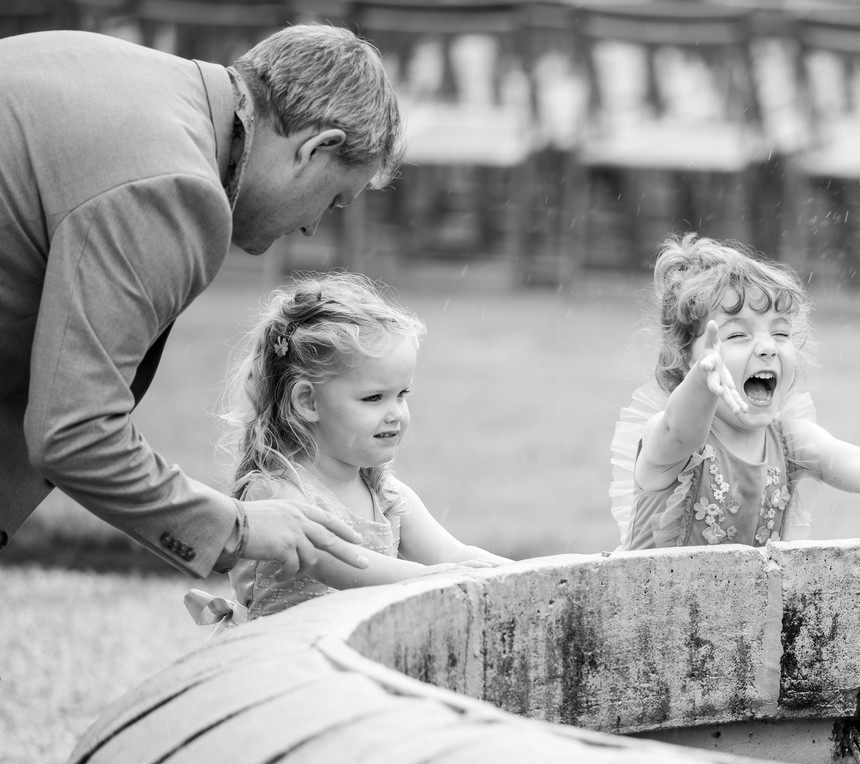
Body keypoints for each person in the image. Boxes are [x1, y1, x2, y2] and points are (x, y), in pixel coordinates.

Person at [0, 24, 406, 579]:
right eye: (334, 199)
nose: (312, 227)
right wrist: (236, 527)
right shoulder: (176, 187)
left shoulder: (124, 75)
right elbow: (72, 432)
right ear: (316, 148)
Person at [610, 234, 860, 551]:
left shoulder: (788, 441)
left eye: (780, 332)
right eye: (736, 335)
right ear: (685, 359)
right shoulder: (669, 442)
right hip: (653, 624)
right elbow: (680, 428)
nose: (767, 347)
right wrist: (702, 381)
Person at [220, 273, 510, 619]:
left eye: (401, 394)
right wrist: (432, 578)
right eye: (374, 398)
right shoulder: (278, 492)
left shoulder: (386, 495)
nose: (396, 414)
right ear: (308, 402)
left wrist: (517, 574)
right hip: (284, 649)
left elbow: (454, 554)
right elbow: (340, 564)